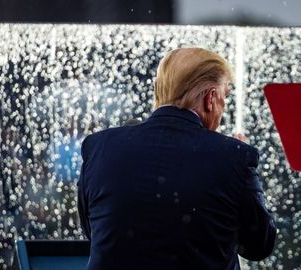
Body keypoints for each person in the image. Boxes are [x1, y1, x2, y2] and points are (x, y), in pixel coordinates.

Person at [77, 47, 276, 270]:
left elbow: (95, 231)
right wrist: (245, 176)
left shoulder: (99, 148)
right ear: (211, 98)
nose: (224, 106)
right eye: (225, 96)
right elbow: (260, 244)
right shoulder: (233, 157)